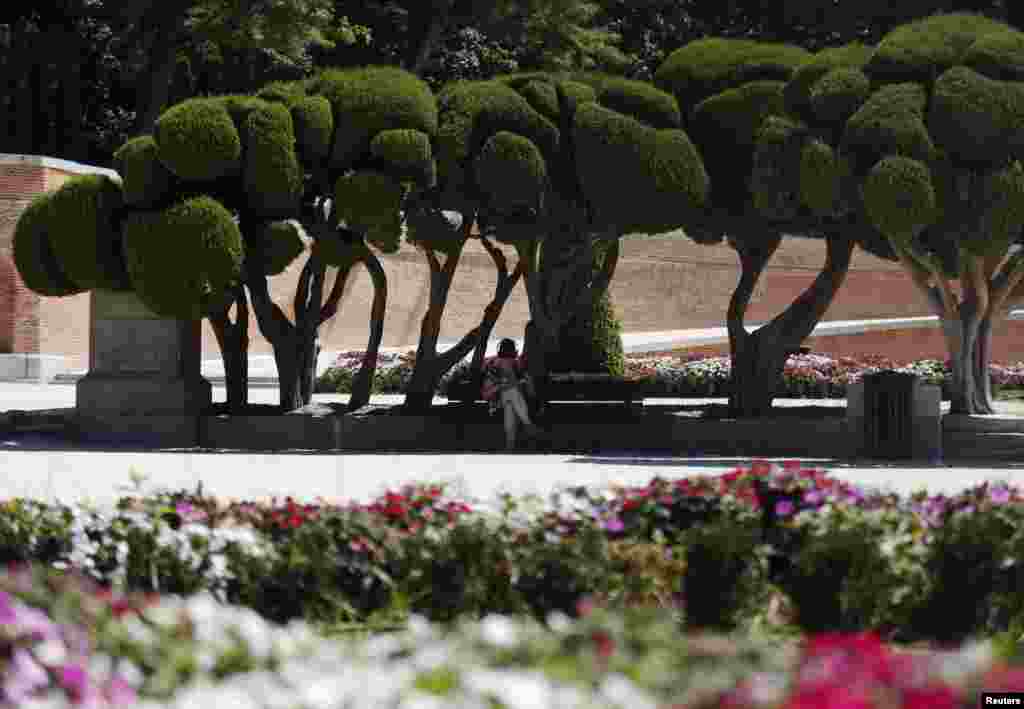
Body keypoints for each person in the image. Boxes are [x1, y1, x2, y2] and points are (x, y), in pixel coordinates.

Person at [481, 338, 543, 450]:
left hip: (517, 402)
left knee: (510, 404)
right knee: (510, 393)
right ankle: (528, 425)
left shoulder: (516, 364)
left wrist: (516, 383)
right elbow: (486, 393)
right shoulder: (494, 366)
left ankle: (510, 446)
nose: (507, 364)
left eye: (509, 363)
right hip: (498, 403)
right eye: (505, 363)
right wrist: (501, 385)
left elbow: (527, 384)